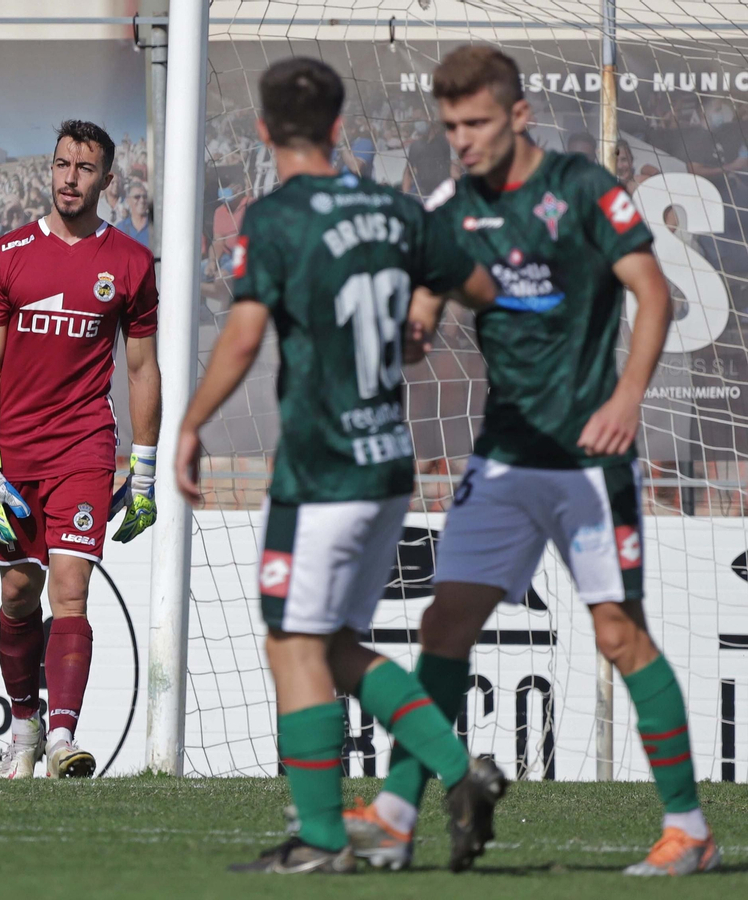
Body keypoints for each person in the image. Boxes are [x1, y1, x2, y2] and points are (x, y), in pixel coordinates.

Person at [355, 45, 717, 878]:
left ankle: (689, 829)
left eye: (476, 123)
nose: (462, 140)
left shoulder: (584, 190)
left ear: (518, 116)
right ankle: (398, 816)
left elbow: (655, 293)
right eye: (450, 126)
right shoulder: (449, 208)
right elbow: (421, 314)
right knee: (444, 624)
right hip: (504, 460)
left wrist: (628, 397)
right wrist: (407, 332)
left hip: (588, 459)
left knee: (618, 635)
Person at [172, 57, 504, 876]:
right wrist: (422, 311)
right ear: (336, 127)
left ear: (262, 131)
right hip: (391, 462)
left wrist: (189, 425)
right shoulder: (395, 210)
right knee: (332, 647)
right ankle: (462, 775)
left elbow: (246, 333)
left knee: (291, 644)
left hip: (319, 469)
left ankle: (325, 842)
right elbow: (481, 285)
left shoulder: (276, 215)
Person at [0, 120, 161, 780]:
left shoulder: (131, 263)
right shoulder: (5, 255)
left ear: (108, 179)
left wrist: (144, 471)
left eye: (84, 168)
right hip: (15, 455)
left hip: (84, 443)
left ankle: (62, 739)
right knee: (20, 593)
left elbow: (141, 369)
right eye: (60, 165)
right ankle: (23, 727)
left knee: (71, 589)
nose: (69, 178)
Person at [116, 180, 152, 246]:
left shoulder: (153, 226)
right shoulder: (120, 229)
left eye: (144, 197)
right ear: (128, 201)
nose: (142, 200)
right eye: (137, 197)